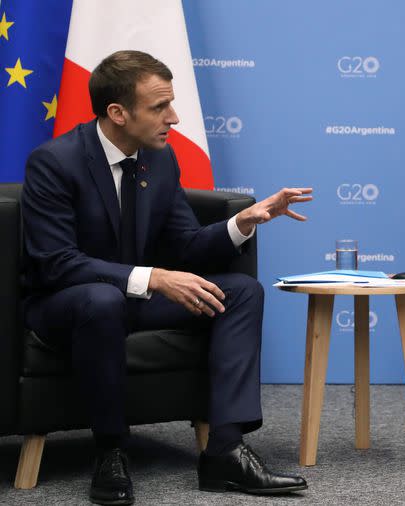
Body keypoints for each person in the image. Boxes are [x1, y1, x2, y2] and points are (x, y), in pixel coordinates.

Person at [21, 50, 312, 505]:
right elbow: (57, 262)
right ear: (118, 113)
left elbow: (185, 245)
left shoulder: (160, 160)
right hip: (66, 306)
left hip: (131, 301)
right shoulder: (54, 162)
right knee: (101, 300)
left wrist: (245, 222)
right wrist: (154, 278)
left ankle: (225, 451)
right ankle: (110, 450)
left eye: (171, 104)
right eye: (159, 107)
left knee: (239, 293)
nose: (173, 118)